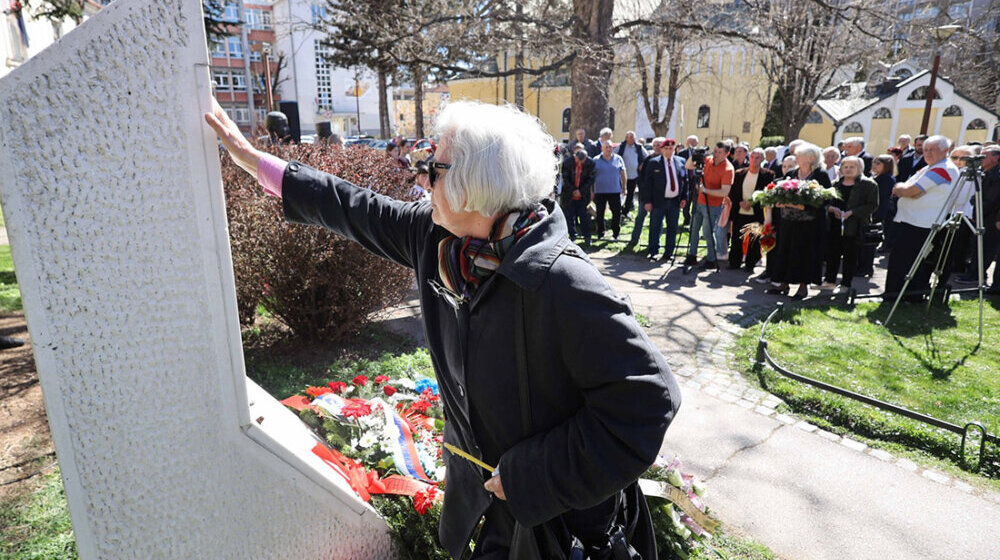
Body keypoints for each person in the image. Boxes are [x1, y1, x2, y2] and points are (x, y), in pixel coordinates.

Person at [205, 99, 681, 559]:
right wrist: (256, 162)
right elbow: (354, 208)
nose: (420, 176)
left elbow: (649, 399)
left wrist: (531, 476)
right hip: (485, 512)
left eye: (434, 167)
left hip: (558, 523)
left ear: (474, 187)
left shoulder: (559, 280)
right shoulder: (440, 240)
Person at [885, 135, 959, 301]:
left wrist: (900, 188)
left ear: (946, 151)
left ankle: (898, 297)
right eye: (925, 150)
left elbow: (912, 190)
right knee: (908, 262)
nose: (928, 153)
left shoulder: (942, 169)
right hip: (913, 221)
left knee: (905, 262)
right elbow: (911, 189)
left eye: (933, 150)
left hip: (918, 224)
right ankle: (907, 296)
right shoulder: (931, 167)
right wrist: (905, 189)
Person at [768, 143, 832, 299]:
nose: (796, 157)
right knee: (786, 250)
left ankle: (803, 286)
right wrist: (779, 200)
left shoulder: (820, 175)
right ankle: (784, 283)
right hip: (788, 221)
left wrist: (803, 205)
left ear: (811, 158)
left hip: (809, 224)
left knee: (804, 253)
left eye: (799, 155)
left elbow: (825, 199)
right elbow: (780, 190)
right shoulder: (791, 172)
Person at [820, 156, 878, 291]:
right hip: (834, 225)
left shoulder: (869, 184)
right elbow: (825, 203)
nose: (848, 169)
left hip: (855, 227)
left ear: (860, 169)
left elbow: (872, 205)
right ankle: (829, 280)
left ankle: (846, 283)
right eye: (845, 167)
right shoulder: (835, 184)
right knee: (832, 254)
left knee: (850, 256)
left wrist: (852, 212)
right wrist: (831, 209)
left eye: (852, 167)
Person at [683, 141, 735, 271]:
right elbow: (688, 166)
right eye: (715, 151)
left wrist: (704, 190)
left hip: (713, 205)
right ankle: (692, 255)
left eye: (720, 152)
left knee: (707, 231)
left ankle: (711, 259)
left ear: (727, 154)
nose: (716, 154)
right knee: (694, 229)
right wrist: (696, 155)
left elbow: (724, 192)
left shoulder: (728, 169)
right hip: (699, 201)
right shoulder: (708, 160)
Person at [640, 137, 688, 262]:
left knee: (672, 228)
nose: (669, 151)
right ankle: (653, 251)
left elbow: (685, 181)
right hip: (658, 201)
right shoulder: (653, 162)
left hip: (674, 201)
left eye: (671, 148)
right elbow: (647, 184)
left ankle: (669, 253)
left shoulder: (681, 161)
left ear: (674, 149)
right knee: (655, 227)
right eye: (666, 148)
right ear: (661, 149)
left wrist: (684, 197)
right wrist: (647, 201)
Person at [728, 148, 774, 272]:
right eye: (753, 156)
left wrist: (752, 203)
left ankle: (750, 264)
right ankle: (734, 262)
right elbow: (732, 192)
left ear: (763, 159)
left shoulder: (767, 175)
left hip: (756, 212)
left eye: (758, 157)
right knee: (737, 238)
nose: (754, 159)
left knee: (753, 240)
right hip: (740, 211)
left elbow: (766, 194)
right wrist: (740, 203)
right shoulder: (739, 174)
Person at [626, 137, 663, 252]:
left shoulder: (665, 161)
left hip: (659, 197)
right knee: (640, 217)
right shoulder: (648, 160)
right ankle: (634, 240)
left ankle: (655, 243)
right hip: (645, 196)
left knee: (657, 221)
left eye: (659, 145)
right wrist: (644, 194)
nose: (657, 147)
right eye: (655, 145)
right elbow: (642, 178)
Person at [560, 143, 596, 246]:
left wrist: (580, 191)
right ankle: (572, 236)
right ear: (575, 156)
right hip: (569, 194)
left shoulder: (591, 163)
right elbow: (565, 178)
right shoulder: (567, 162)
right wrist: (573, 190)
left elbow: (591, 179)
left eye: (582, 162)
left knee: (584, 217)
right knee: (569, 216)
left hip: (583, 195)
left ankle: (587, 237)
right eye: (578, 161)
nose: (579, 164)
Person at [592, 140, 628, 239]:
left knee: (617, 213)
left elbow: (623, 174)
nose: (608, 149)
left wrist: (624, 187)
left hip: (615, 190)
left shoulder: (618, 159)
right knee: (600, 214)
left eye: (610, 147)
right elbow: (591, 176)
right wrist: (591, 190)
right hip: (599, 191)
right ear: (601, 149)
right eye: (606, 147)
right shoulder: (595, 160)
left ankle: (616, 234)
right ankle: (601, 234)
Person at [617, 131, 649, 216]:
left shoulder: (638, 147)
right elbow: (614, 156)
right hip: (621, 176)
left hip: (634, 175)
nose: (631, 139)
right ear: (626, 138)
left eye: (633, 137)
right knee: (621, 194)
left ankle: (626, 211)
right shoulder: (621, 146)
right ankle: (618, 211)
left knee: (630, 194)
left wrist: (642, 164)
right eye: (629, 137)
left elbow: (647, 157)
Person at [872, 154, 897, 252]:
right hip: (879, 208)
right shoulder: (878, 176)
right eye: (874, 162)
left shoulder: (887, 178)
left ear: (886, 165)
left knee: (882, 231)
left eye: (878, 163)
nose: (874, 165)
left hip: (882, 209)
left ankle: (884, 247)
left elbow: (881, 196)